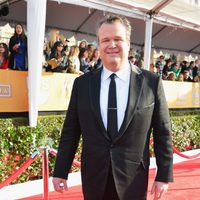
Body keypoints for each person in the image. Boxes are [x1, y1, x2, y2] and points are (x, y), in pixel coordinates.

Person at [53, 14, 173, 200]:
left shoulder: (151, 82)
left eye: (118, 39)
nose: (112, 45)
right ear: (99, 44)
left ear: (128, 42)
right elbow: (71, 130)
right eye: (105, 40)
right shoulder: (82, 84)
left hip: (133, 178)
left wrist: (164, 175)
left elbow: (162, 132)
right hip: (94, 177)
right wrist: (61, 170)